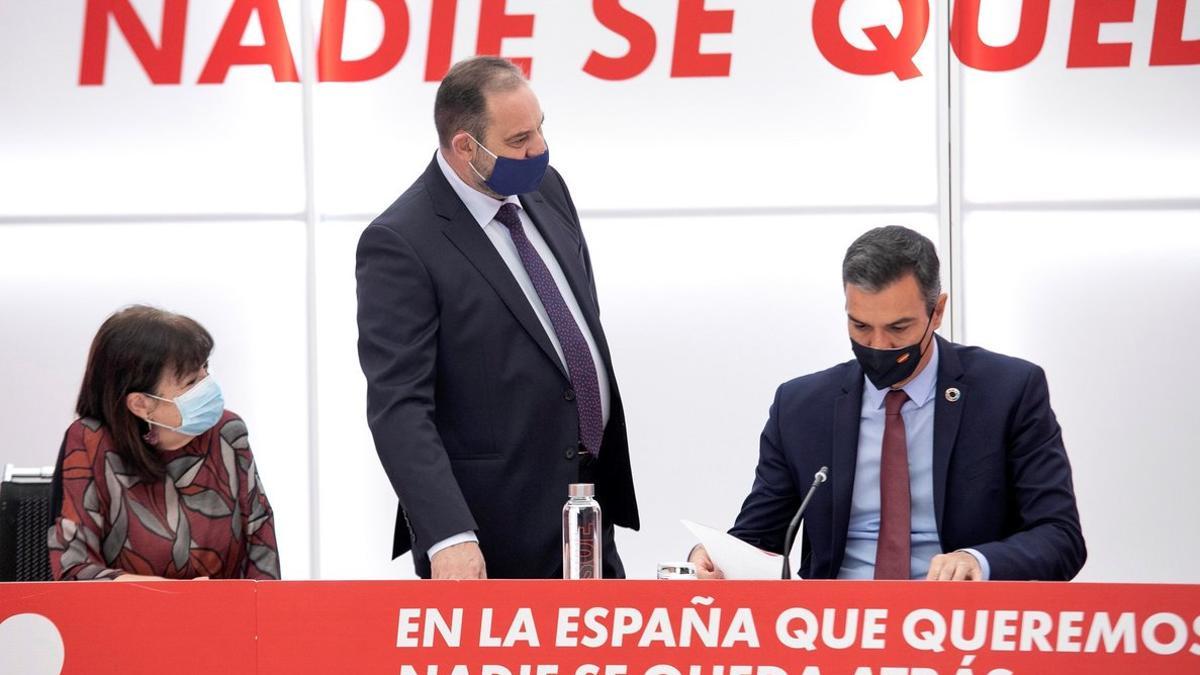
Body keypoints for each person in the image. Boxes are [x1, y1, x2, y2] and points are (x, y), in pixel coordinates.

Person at [356, 56, 638, 579]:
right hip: (488, 537)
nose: (539, 150)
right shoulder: (401, 242)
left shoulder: (547, 189)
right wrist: (447, 534)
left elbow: (574, 325)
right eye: (518, 140)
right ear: (465, 146)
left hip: (585, 518)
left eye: (540, 129)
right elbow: (399, 406)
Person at [692, 226, 1085, 581]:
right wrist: (710, 559)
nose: (878, 346)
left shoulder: (1008, 391)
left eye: (899, 328)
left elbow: (1060, 537)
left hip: (962, 628)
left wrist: (976, 561)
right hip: (834, 631)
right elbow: (759, 539)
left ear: (938, 311)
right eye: (860, 326)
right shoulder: (801, 406)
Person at [48, 305, 279, 581]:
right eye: (191, 381)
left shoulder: (228, 433)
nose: (208, 385)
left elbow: (262, 553)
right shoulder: (90, 442)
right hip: (124, 619)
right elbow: (74, 569)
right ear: (141, 404)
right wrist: (172, 598)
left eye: (205, 368)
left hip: (222, 618)